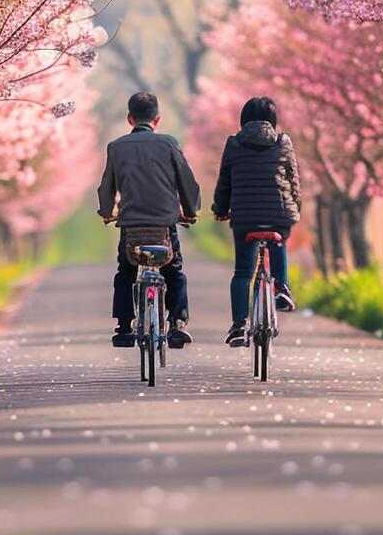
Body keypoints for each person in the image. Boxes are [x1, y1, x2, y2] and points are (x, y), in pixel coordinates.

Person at [97, 91, 201, 348]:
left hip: (131, 224)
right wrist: (190, 209)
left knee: (126, 272)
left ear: (129, 118)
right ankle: (178, 323)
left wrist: (107, 210)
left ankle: (123, 327)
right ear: (158, 119)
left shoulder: (116, 147)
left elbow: (107, 187)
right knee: (174, 271)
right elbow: (187, 182)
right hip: (164, 223)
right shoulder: (169, 144)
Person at [211, 95, 300, 346]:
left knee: (242, 273)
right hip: (278, 216)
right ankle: (281, 288)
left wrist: (220, 208)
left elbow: (224, 182)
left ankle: (239, 326)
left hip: (245, 217)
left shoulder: (233, 144)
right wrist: (295, 211)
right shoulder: (283, 142)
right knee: (279, 241)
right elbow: (293, 182)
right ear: (273, 119)